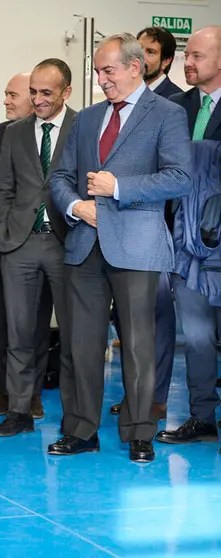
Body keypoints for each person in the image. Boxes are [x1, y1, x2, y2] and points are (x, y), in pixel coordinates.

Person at [49, 33, 192, 463]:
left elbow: (179, 177)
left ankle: (139, 431)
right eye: (97, 72)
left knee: (138, 346)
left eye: (108, 71)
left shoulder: (167, 114)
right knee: (80, 344)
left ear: (135, 67)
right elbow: (59, 177)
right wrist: (76, 206)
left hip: (137, 246)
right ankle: (80, 429)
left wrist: (120, 187)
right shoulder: (87, 118)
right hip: (85, 243)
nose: (102, 79)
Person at [0, 59, 77, 437]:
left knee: (76, 335)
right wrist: (4, 233)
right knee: (20, 333)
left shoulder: (83, 126)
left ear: (66, 93)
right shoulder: (16, 132)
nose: (38, 100)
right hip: (20, 244)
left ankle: (76, 418)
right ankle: (20, 411)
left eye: (47, 92)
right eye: (33, 92)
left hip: (69, 244)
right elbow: (3, 188)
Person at [107, 26, 189, 421]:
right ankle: (137, 398)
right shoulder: (111, 106)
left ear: (161, 60)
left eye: (152, 51)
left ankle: (153, 400)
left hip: (160, 227)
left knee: (155, 320)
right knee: (129, 323)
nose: (144, 54)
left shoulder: (175, 105)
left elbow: (178, 175)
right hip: (114, 230)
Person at [156, 25, 221, 445]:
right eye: (186, 56)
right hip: (184, 245)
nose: (188, 63)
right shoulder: (173, 109)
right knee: (196, 337)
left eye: (197, 55)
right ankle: (202, 418)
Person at [137, 26, 184, 99]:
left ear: (166, 61)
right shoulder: (122, 93)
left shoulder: (176, 100)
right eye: (138, 49)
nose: (140, 56)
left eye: (150, 52)